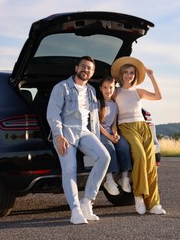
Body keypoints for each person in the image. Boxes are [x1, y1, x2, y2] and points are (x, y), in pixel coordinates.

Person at [46, 56, 110, 224]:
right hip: (65, 132)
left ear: (92, 72)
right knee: (70, 169)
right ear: (76, 68)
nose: (86, 70)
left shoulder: (91, 91)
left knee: (104, 157)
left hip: (84, 131)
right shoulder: (62, 88)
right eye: (83, 66)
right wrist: (58, 136)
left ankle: (87, 202)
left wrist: (96, 137)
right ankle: (75, 210)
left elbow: (93, 118)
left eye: (90, 68)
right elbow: (53, 114)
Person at [111, 56, 166, 215]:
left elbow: (158, 96)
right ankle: (139, 196)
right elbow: (108, 109)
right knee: (140, 157)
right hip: (126, 127)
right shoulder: (116, 92)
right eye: (126, 72)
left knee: (150, 165)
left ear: (135, 75)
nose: (129, 75)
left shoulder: (138, 92)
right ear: (121, 74)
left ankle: (154, 203)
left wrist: (151, 76)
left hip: (143, 127)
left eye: (132, 73)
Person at [98, 76, 132, 195]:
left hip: (111, 132)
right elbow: (98, 126)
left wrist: (116, 134)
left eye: (111, 87)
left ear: (114, 88)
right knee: (110, 148)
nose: (108, 90)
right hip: (101, 134)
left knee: (123, 145)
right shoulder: (97, 104)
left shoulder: (115, 105)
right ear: (101, 89)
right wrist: (110, 137)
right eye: (105, 88)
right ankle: (109, 180)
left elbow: (113, 124)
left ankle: (124, 177)